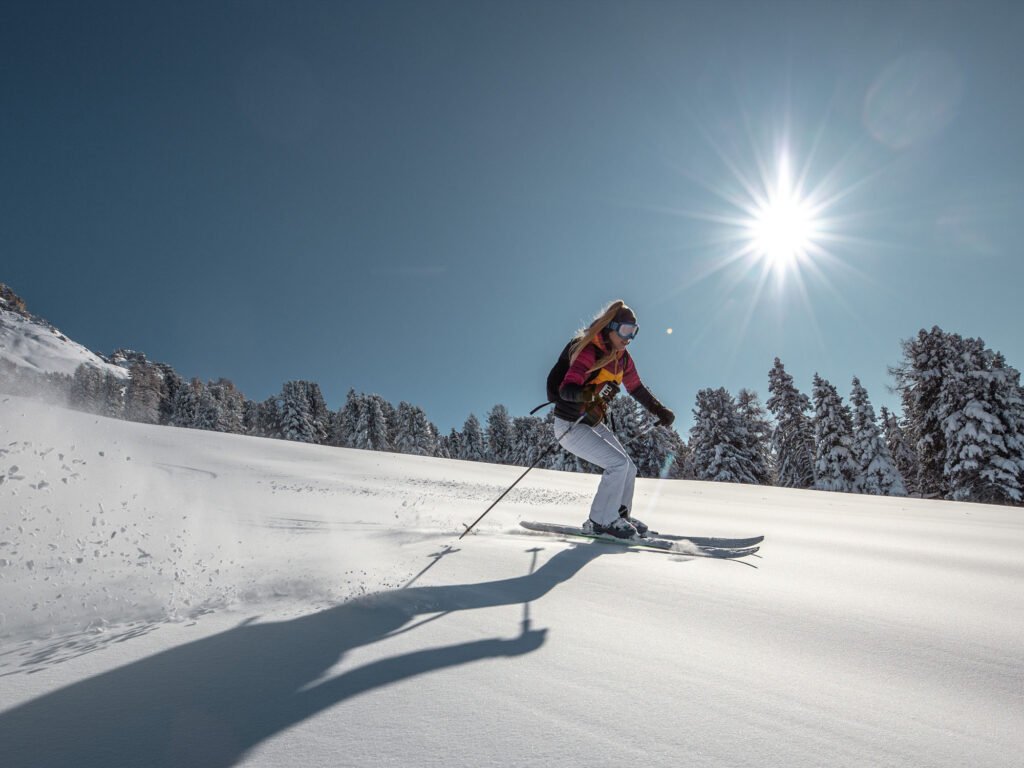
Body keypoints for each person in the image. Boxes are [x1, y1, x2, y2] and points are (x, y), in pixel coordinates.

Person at [548, 300, 675, 539]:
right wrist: (591, 393)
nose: (630, 338)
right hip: (569, 425)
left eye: (634, 332)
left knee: (628, 467)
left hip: (592, 422)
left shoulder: (623, 358)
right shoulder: (590, 350)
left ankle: (618, 515)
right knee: (617, 464)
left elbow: (636, 387)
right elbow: (567, 388)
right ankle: (600, 521)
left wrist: (660, 410)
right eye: (626, 330)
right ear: (611, 327)